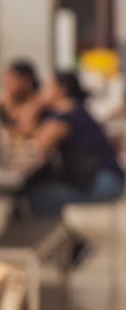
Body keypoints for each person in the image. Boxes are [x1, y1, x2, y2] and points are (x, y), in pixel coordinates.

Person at [22, 71, 124, 217]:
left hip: (104, 182)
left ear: (61, 90)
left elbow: (39, 143)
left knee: (37, 196)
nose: (43, 90)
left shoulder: (66, 111)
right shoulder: (73, 108)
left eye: (47, 86)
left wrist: (36, 103)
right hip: (105, 178)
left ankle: (57, 237)